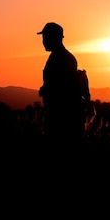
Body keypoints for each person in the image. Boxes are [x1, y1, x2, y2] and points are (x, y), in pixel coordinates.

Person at [37, 22, 86, 152]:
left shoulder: (61, 58)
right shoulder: (62, 57)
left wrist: (47, 90)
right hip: (61, 116)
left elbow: (62, 88)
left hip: (61, 118)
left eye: (45, 37)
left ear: (55, 38)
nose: (43, 41)